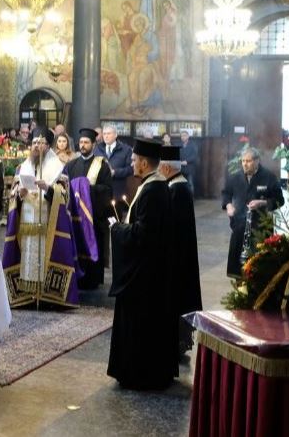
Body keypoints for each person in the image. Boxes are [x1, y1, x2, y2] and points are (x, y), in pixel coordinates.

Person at [108, 138, 177, 390]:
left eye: (134, 160)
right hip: (151, 270)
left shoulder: (153, 190)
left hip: (144, 275)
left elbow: (143, 234)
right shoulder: (153, 185)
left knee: (141, 325)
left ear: (145, 163)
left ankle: (139, 373)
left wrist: (117, 229)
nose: (132, 163)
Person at [3, 128, 92, 308]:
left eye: (41, 142)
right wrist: (19, 194)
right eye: (34, 142)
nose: (37, 146)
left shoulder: (59, 167)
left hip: (49, 221)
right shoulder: (22, 167)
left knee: (45, 255)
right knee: (27, 256)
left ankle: (46, 296)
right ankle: (27, 294)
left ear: (48, 145)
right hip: (26, 221)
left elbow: (66, 197)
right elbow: (11, 195)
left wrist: (49, 189)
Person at [158, 145, 202, 359]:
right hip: (181, 254)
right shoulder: (179, 185)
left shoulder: (176, 189)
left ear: (166, 168)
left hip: (177, 257)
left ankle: (176, 342)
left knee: (177, 300)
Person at [221, 147, 284, 278]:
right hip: (239, 224)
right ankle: (239, 284)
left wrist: (263, 203)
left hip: (261, 225)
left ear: (257, 161)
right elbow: (226, 193)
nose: (245, 163)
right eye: (243, 161)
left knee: (260, 263)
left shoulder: (269, 177)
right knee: (237, 262)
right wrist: (228, 206)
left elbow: (279, 200)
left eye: (248, 161)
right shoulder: (235, 177)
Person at [64, 128, 113, 289]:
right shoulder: (71, 165)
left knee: (93, 244)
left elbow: (107, 190)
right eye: (81, 142)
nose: (83, 145)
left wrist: (87, 190)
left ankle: (93, 279)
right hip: (75, 217)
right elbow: (64, 187)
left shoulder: (102, 165)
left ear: (93, 144)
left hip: (93, 217)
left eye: (86, 142)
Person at [96, 125, 134, 203]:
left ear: (115, 135)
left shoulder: (126, 150)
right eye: (104, 134)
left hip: (118, 191)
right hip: (101, 191)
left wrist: (115, 172)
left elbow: (131, 169)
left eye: (109, 134)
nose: (106, 136)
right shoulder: (97, 149)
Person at [180, 130, 199, 196]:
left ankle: (190, 199)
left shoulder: (193, 145)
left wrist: (187, 161)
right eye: (182, 136)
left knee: (190, 184)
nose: (183, 137)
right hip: (181, 168)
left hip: (190, 168)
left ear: (188, 136)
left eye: (184, 135)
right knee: (182, 184)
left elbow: (195, 156)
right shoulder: (179, 145)